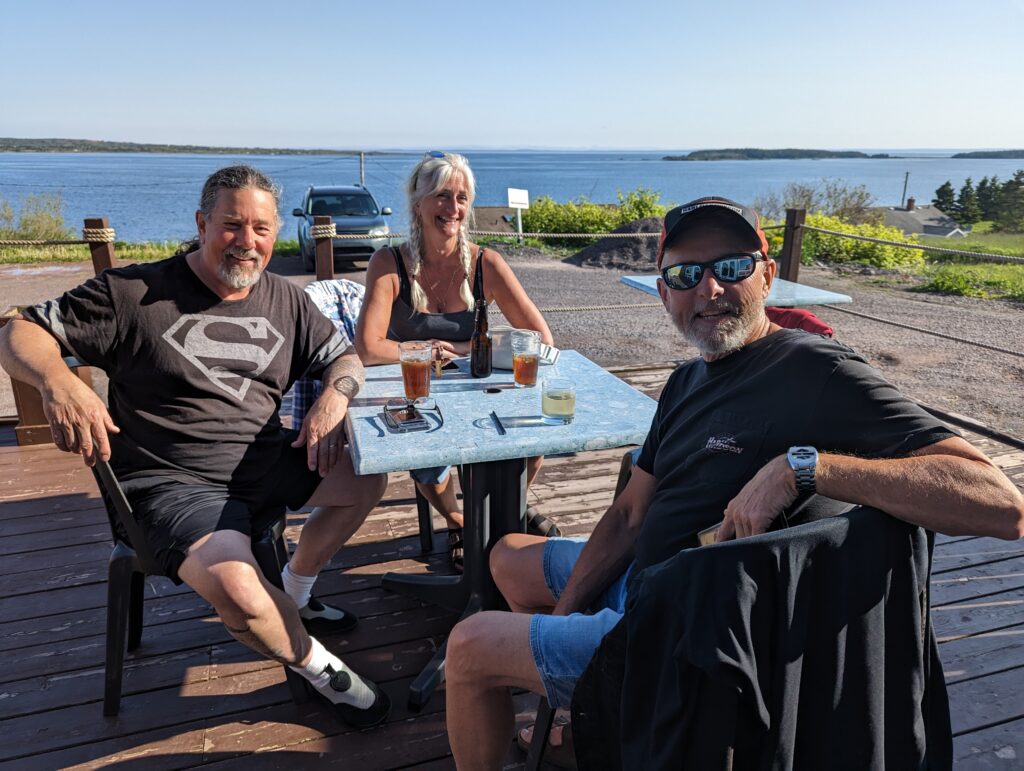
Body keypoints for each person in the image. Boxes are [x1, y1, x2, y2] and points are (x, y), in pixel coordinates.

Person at [441, 196, 1024, 769]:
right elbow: (627, 516)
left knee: (468, 647)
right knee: (506, 555)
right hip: (647, 583)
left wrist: (809, 467)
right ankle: (587, 715)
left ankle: (599, 698)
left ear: (767, 276)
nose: (710, 289)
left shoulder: (818, 370)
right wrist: (566, 614)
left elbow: (1000, 504)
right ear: (664, 293)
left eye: (732, 267)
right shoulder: (687, 379)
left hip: (681, 632)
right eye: (687, 274)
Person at [0, 165, 392, 727]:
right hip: (170, 483)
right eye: (232, 225)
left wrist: (337, 396)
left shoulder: (285, 297)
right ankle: (324, 670)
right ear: (202, 223)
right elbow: (17, 329)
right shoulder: (133, 293)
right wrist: (57, 381)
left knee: (366, 477)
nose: (247, 242)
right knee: (241, 595)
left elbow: (342, 356)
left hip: (262, 461)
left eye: (261, 228)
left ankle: (297, 591)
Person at [355, 151, 555, 568]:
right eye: (442, 196)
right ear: (418, 203)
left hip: (477, 386)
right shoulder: (389, 263)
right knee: (428, 454)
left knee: (533, 432)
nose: (454, 208)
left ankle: (505, 512)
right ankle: (461, 520)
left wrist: (463, 350)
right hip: (417, 391)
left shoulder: (486, 264)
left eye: (462, 198)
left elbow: (539, 338)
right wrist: (427, 352)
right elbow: (368, 348)